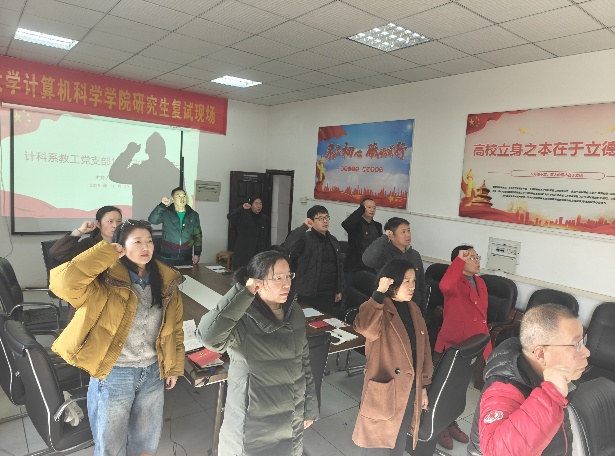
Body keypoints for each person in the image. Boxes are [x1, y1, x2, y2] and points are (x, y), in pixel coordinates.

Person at [50, 219, 185, 456]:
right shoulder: (103, 279)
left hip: (153, 372)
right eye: (137, 241)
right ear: (121, 245)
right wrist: (104, 254)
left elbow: (174, 328)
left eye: (149, 241)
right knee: (110, 445)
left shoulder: (166, 280)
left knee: (146, 442)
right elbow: (62, 284)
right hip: (115, 372)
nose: (146, 247)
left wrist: (174, 367)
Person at [196, 251, 318, 456]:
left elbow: (303, 362)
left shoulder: (294, 311)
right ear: (257, 282)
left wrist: (309, 406)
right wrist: (243, 292)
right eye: (278, 278)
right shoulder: (242, 317)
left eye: (288, 276)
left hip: (291, 419)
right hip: (253, 425)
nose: (286, 284)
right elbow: (208, 337)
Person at [468, 303, 589, 456]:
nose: (587, 352)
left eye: (583, 341)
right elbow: (496, 453)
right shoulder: (503, 389)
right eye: (576, 344)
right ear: (541, 354)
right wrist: (551, 396)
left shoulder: (551, 377)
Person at [352, 259, 433, 455]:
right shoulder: (378, 307)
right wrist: (379, 293)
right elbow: (365, 328)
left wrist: (423, 386)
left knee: (399, 440)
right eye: (406, 281)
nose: (412, 286)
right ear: (391, 281)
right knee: (378, 444)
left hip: (409, 388)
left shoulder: (413, 308)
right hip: (386, 389)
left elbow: (423, 350)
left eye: (414, 281)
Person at [434, 244, 491, 450]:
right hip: (452, 345)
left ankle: (450, 422)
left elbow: (481, 317)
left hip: (472, 345)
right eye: (471, 258)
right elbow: (445, 286)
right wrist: (459, 260)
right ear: (458, 262)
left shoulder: (480, 282)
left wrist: (487, 347)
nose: (477, 261)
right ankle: (437, 426)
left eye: (477, 257)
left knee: (458, 391)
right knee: (441, 389)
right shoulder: (453, 281)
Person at [282, 205, 344, 316]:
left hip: (328, 294)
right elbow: (288, 245)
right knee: (306, 321)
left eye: (326, 217)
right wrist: (304, 227)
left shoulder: (333, 241)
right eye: (320, 218)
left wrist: (338, 290)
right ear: (311, 221)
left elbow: (339, 267)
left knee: (324, 321)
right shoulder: (305, 239)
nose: (325, 221)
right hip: (308, 293)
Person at [362, 217, 427, 313]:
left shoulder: (415, 255)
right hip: (390, 309)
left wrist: (422, 311)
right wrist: (384, 237)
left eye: (408, 230)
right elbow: (367, 260)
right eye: (403, 232)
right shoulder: (384, 254)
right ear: (391, 235)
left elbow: (421, 285)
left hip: (413, 308)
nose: (408, 235)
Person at [108, 132, 179, 219]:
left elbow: (115, 174)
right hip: (168, 223)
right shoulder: (175, 173)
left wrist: (129, 152)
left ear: (146, 150)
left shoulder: (139, 171)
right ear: (164, 151)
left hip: (142, 222)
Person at [341, 197, 382, 302]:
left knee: (368, 295)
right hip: (354, 266)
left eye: (374, 208)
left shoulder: (377, 226)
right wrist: (361, 210)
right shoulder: (355, 225)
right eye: (369, 207)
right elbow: (345, 224)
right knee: (349, 294)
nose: (372, 210)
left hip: (371, 267)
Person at [148, 187, 202, 266]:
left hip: (186, 257)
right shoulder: (166, 212)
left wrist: (197, 253)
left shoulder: (193, 215)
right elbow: (152, 220)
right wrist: (162, 205)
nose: (182, 198)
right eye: (178, 196)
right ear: (173, 199)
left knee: (186, 274)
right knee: (167, 274)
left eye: (184, 196)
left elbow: (197, 235)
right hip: (167, 257)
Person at [49, 205, 122, 263]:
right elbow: (57, 252)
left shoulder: (125, 243)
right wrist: (80, 231)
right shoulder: (89, 245)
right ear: (98, 224)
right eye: (110, 221)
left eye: (119, 221)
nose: (115, 225)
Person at [227, 196, 270, 269]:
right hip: (244, 251)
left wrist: (267, 252)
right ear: (251, 205)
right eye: (256, 203)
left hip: (259, 252)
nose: (259, 206)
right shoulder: (243, 216)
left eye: (260, 203)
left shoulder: (265, 218)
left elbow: (267, 237)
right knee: (242, 272)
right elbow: (230, 216)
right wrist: (242, 208)